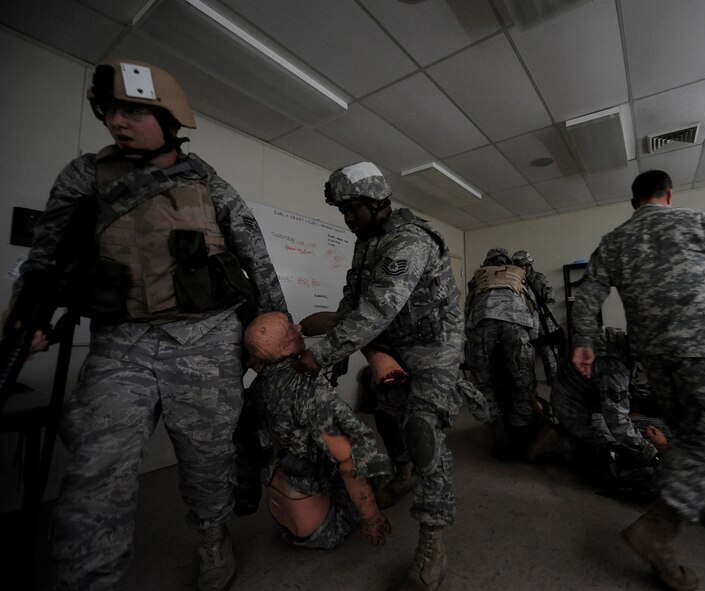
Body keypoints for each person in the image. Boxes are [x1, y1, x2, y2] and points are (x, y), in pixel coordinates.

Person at [6, 59, 287, 591]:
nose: (117, 121)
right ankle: (87, 577)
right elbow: (46, 258)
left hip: (205, 340)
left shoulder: (208, 183)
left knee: (207, 459)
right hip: (121, 344)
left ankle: (211, 539)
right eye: (110, 110)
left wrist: (276, 334)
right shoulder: (85, 176)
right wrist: (27, 314)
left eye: (133, 110)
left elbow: (257, 258)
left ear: (169, 116)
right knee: (94, 470)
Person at [294, 161, 465, 591]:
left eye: (352, 209)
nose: (347, 218)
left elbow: (377, 310)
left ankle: (432, 538)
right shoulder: (368, 240)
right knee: (387, 413)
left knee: (423, 430)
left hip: (434, 347)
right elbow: (354, 303)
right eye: (343, 211)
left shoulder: (409, 240)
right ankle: (402, 475)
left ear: (376, 202)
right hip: (393, 342)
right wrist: (351, 354)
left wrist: (321, 355)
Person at [571, 170, 705, 591]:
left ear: (634, 203)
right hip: (698, 344)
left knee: (690, 431)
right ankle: (660, 528)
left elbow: (588, 293)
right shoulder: (699, 221)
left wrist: (585, 341)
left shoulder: (614, 240)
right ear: (669, 195)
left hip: (651, 353)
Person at [243, 312, 392, 549]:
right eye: (291, 329)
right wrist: (372, 518)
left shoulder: (257, 388)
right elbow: (346, 458)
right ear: (283, 349)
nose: (299, 329)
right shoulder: (308, 391)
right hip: (317, 527)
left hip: (280, 497)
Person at [551, 327, 661, 497]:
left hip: (588, 397)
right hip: (573, 404)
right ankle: (558, 441)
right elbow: (617, 422)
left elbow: (638, 391)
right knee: (610, 455)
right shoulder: (613, 365)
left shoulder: (623, 344)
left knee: (631, 440)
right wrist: (652, 456)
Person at [464, 248, 539, 461]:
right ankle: (522, 434)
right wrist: (532, 337)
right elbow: (532, 308)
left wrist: (471, 340)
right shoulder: (517, 275)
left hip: (483, 323)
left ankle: (499, 434)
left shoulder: (479, 277)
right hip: (516, 325)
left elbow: (468, 308)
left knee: (482, 382)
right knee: (523, 381)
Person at [512, 249, 559, 385]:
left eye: (523, 266)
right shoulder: (515, 281)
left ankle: (554, 383)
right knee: (526, 356)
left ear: (527, 265)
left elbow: (551, 300)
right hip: (524, 324)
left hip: (543, 323)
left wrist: (540, 313)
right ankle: (530, 386)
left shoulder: (539, 278)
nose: (522, 268)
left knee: (549, 355)